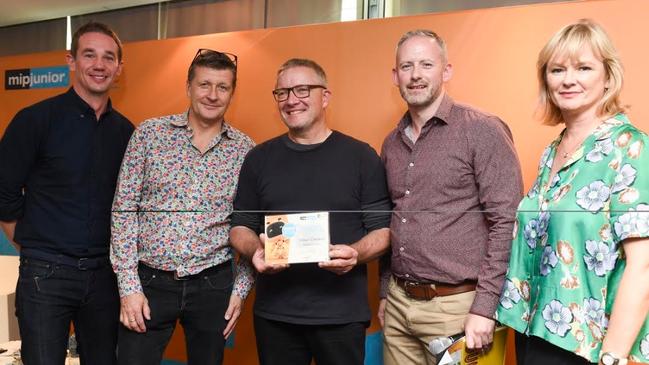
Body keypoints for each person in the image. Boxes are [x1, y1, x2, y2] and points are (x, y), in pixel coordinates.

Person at [496, 19, 649, 365]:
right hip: (534, 332)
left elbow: (644, 266)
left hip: (593, 347)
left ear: (608, 76)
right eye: (557, 69)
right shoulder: (553, 150)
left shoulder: (630, 148)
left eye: (583, 68)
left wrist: (612, 357)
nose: (568, 79)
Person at [229, 58, 392, 365]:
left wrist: (355, 253)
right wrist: (255, 251)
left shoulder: (361, 157)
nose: (292, 100)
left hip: (341, 315)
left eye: (302, 89)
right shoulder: (258, 159)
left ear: (325, 96)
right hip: (275, 315)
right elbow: (240, 226)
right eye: (283, 92)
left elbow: (383, 231)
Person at [379, 29, 524, 365]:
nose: (415, 75)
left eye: (426, 65)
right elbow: (393, 218)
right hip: (400, 306)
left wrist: (485, 308)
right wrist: (385, 291)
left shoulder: (482, 129)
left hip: (460, 307)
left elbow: (507, 221)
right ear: (395, 75)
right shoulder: (391, 143)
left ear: (446, 71)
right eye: (406, 67)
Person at [0, 22, 134, 364]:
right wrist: (33, 245)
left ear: (119, 67)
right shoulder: (34, 120)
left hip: (105, 278)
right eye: (89, 55)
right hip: (46, 275)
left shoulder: (127, 133)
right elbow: (4, 191)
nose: (99, 65)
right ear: (71, 60)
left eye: (108, 57)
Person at [110, 49, 254, 365]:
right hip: (148, 284)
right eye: (204, 84)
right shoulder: (149, 134)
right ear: (188, 87)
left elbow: (252, 227)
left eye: (223, 87)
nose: (212, 95)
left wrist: (239, 291)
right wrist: (128, 286)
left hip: (213, 285)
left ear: (232, 92)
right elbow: (123, 211)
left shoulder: (246, 151)